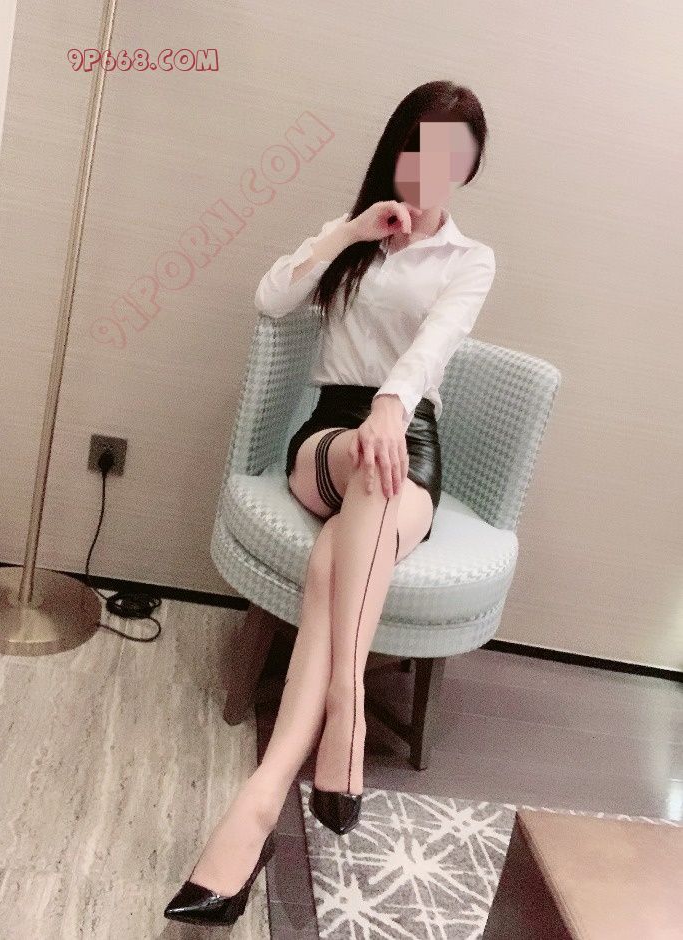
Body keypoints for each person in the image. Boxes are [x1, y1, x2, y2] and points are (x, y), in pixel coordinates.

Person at [164, 78, 496, 927]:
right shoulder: (350, 235)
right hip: (328, 442)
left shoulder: (470, 261)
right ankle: (345, 709)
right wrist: (350, 233)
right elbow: (270, 297)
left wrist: (393, 408)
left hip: (409, 443)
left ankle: (254, 812)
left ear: (468, 168)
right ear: (398, 150)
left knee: (333, 564)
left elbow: (432, 348)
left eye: (454, 155)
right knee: (366, 466)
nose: (434, 167)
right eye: (421, 147)